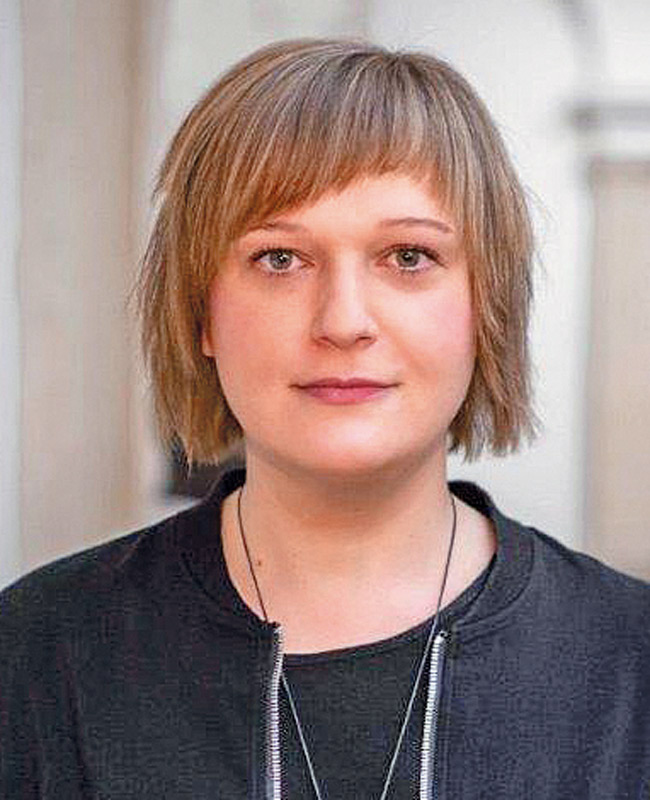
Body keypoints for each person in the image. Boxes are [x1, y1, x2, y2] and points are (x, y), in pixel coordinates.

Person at [1, 37, 649, 800]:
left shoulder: (630, 663)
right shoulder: (40, 653)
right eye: (280, 259)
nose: (343, 321)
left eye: (408, 257)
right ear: (202, 312)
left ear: (486, 306)